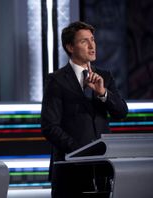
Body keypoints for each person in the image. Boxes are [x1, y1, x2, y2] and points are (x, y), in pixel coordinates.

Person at [41, 21, 128, 197]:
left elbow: (121, 112)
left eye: (93, 40)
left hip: (103, 170)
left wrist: (103, 93)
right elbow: (50, 126)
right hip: (69, 170)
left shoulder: (105, 76)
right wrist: (81, 152)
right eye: (84, 41)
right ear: (70, 47)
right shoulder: (56, 80)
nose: (92, 45)